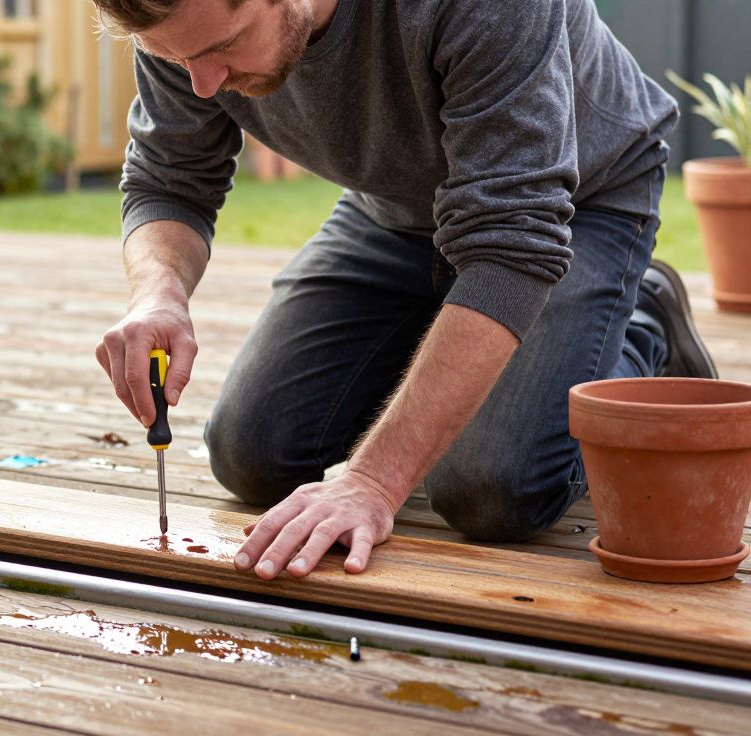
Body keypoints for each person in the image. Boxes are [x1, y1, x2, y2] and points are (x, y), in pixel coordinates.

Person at [93, 0, 718, 580]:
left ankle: (641, 322)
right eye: (177, 60)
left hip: (576, 202)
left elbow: (511, 245)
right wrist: (160, 292)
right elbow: (168, 180)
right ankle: (453, 333)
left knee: (492, 490)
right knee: (251, 454)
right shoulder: (185, 24)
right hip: (395, 209)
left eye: (224, 46)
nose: (201, 84)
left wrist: (372, 481)